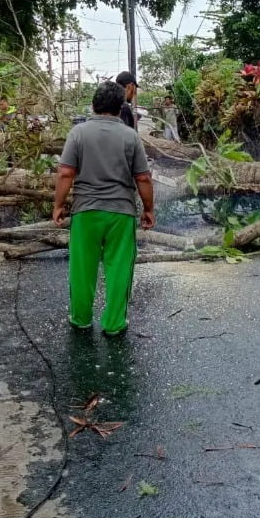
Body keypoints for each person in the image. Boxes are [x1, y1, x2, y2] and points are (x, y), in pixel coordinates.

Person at [53, 81, 156, 337]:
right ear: (121, 107)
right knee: (119, 267)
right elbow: (143, 178)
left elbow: (66, 173)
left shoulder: (78, 133)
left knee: (82, 267)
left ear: (93, 106)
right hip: (120, 212)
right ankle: (113, 323)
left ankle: (81, 319)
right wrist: (149, 209)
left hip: (85, 210)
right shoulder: (131, 136)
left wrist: (58, 205)